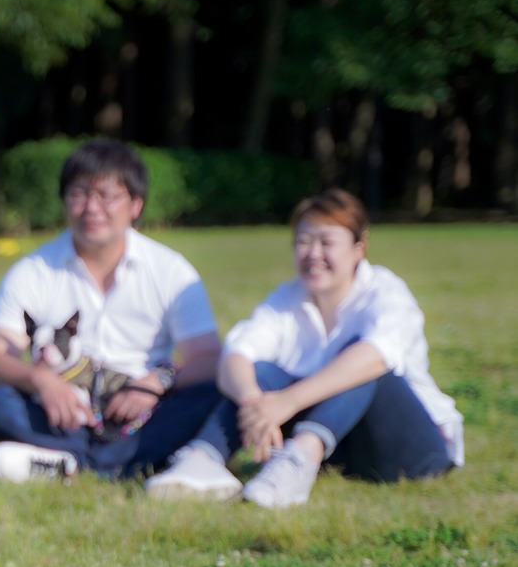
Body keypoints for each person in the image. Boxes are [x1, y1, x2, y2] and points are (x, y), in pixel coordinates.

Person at [145, 188, 463, 507]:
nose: (313, 253)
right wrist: (254, 402)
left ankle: (300, 459)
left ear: (358, 248)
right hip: (342, 449)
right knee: (260, 372)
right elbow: (235, 355)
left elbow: (375, 356)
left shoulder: (385, 293)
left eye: (326, 242)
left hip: (412, 449)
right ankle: (202, 460)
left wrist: (287, 401)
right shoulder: (287, 299)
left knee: (360, 361)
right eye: (303, 241)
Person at [0, 139, 224, 482]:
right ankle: (118, 464)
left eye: (107, 196)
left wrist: (154, 383)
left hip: (144, 413)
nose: (91, 207)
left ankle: (69, 464)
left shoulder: (170, 270)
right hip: (60, 414)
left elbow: (210, 358)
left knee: (214, 394)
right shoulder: (32, 271)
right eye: (79, 194)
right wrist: (41, 380)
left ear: (135, 205)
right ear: (64, 201)